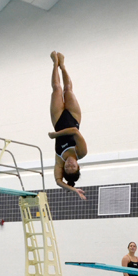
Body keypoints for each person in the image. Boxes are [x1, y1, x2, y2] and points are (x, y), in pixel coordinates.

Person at [48, 51, 87, 200]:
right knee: (68, 89)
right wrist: (55, 136)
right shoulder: (81, 152)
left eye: (67, 167)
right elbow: (75, 132)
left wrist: (73, 190)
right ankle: (63, 66)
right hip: (73, 117)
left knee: (56, 88)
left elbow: (58, 181)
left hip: (58, 120)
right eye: (73, 166)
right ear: (78, 166)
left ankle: (55, 64)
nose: (69, 164)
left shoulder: (60, 160)